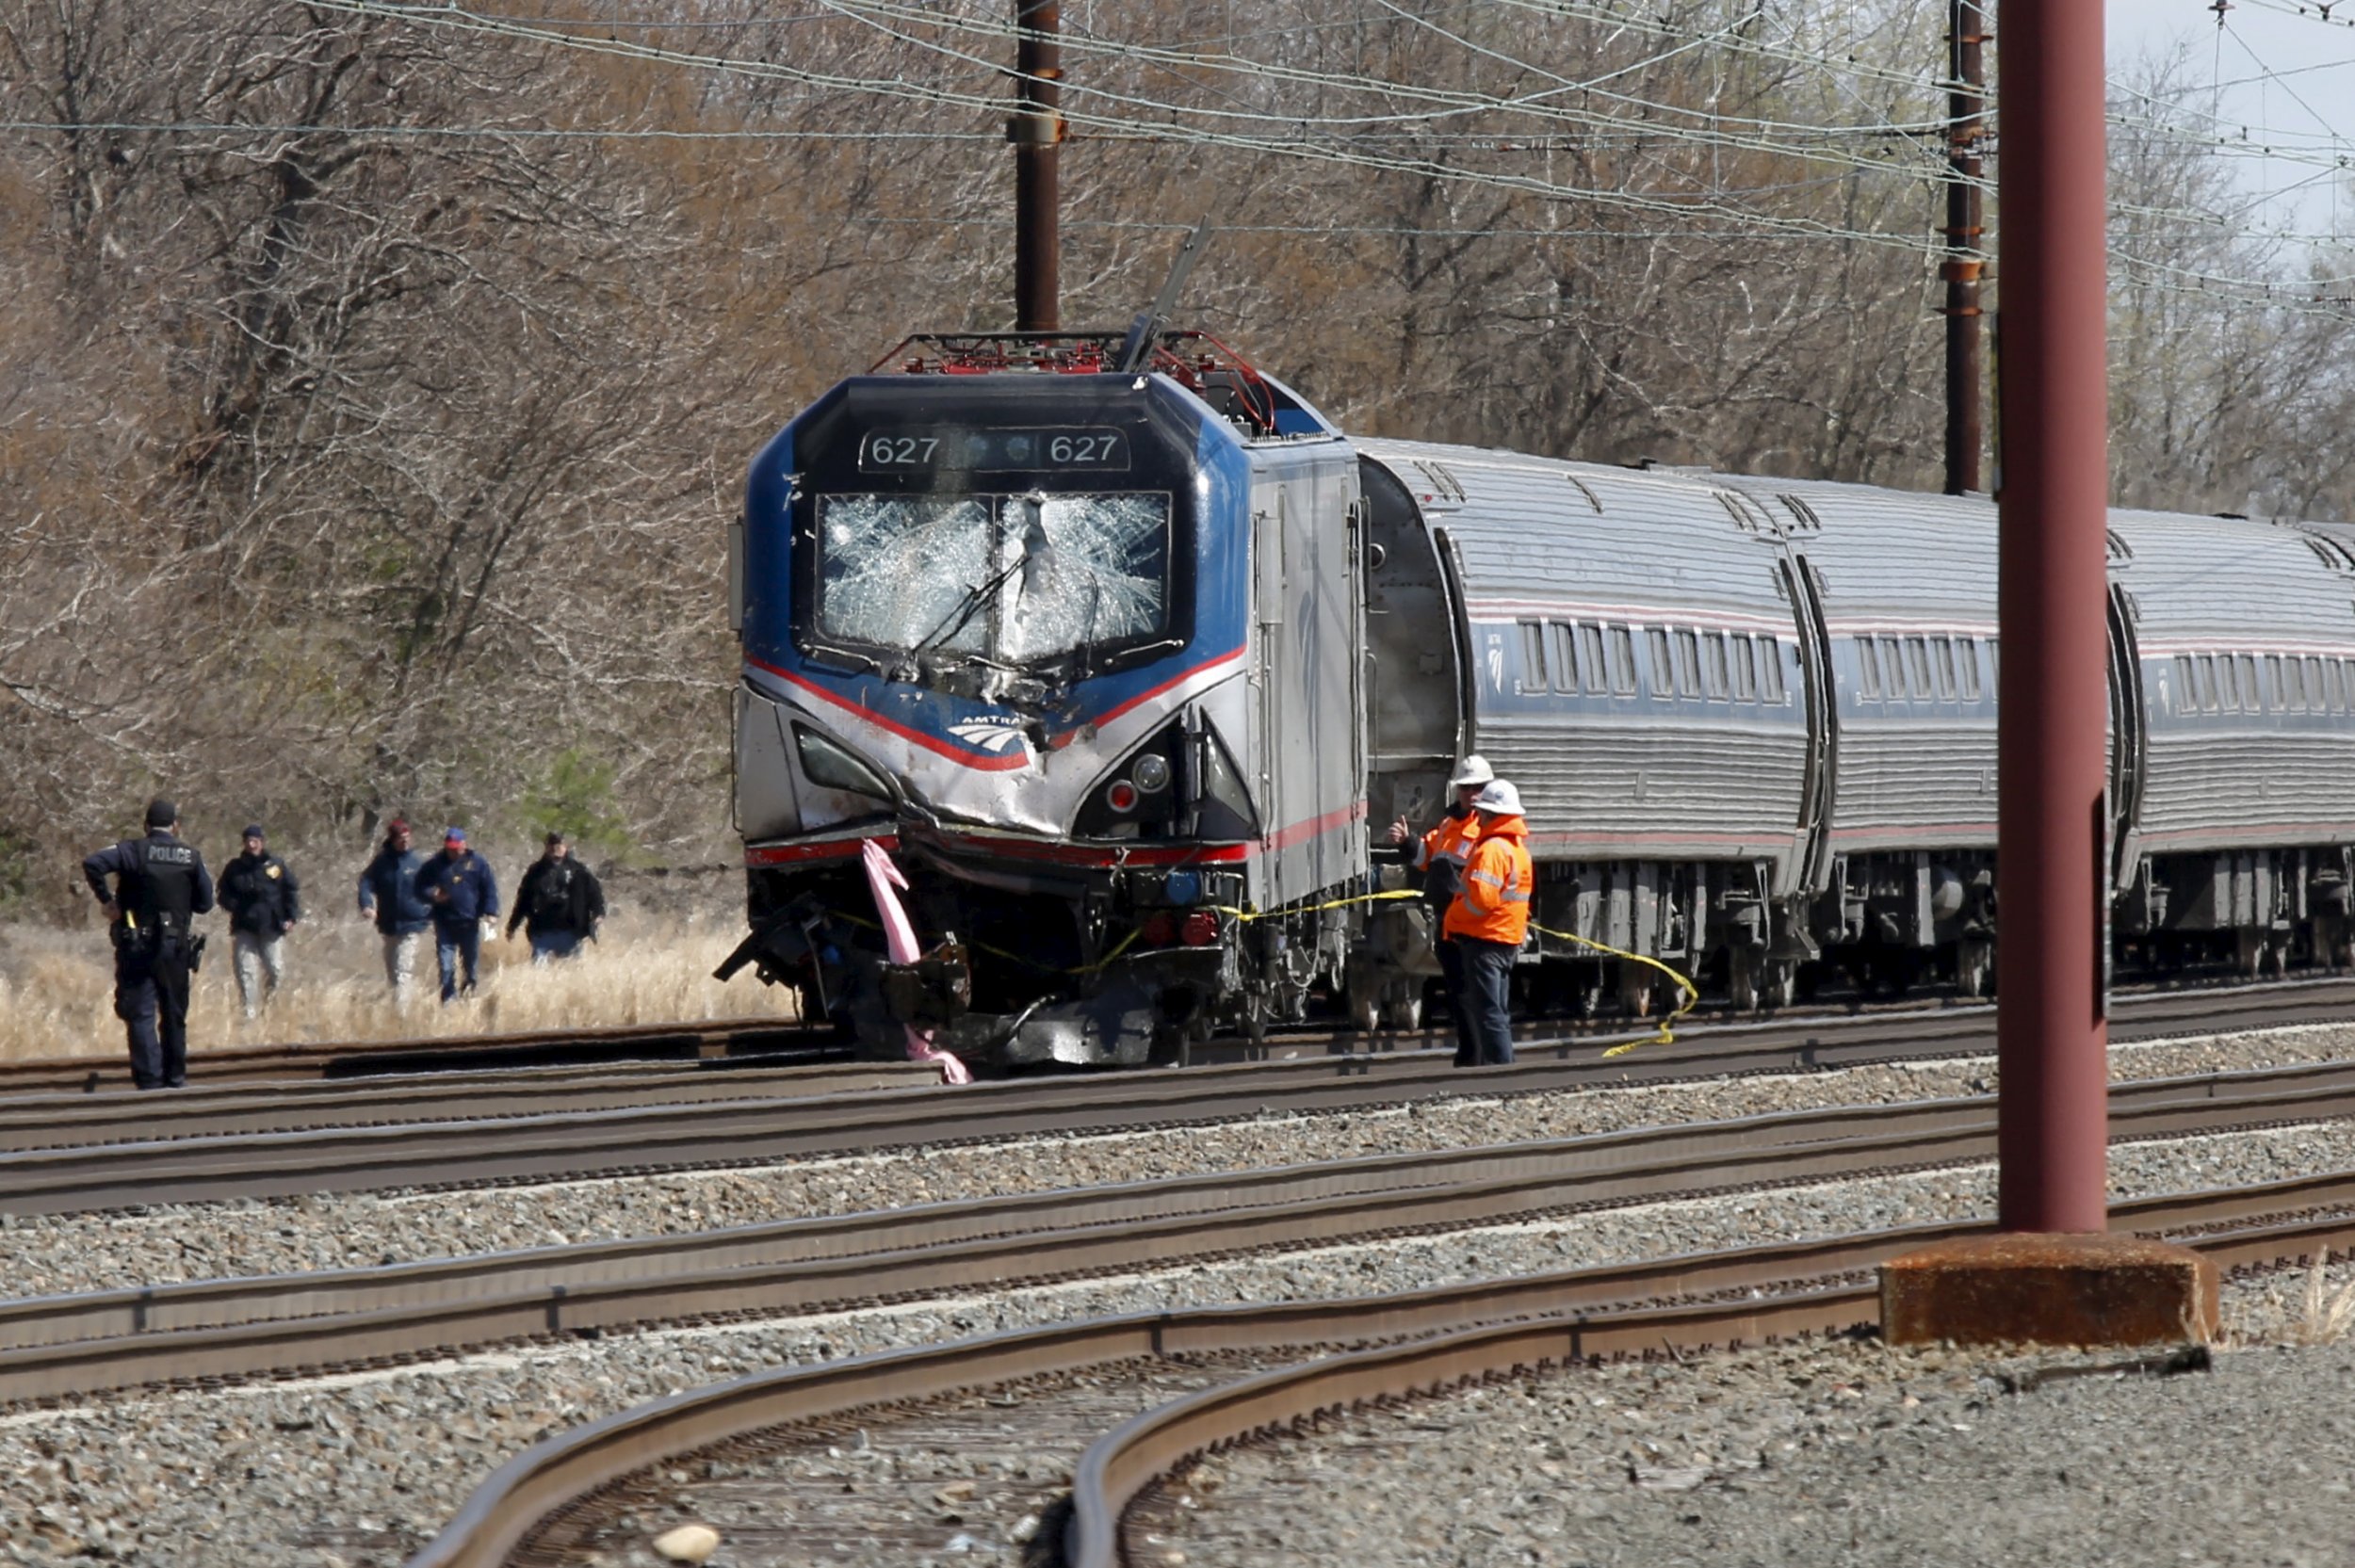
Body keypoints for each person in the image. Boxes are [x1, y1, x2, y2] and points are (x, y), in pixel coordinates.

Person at [81, 798, 216, 1090]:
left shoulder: (132, 851)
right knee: (173, 1014)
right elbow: (206, 903)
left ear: (146, 826)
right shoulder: (191, 857)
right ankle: (175, 1079)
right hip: (175, 947)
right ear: (176, 827)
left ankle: (149, 1083)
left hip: (136, 946)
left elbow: (93, 863)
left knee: (141, 1013)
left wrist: (108, 901)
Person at [1388, 755, 1493, 1065]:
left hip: (1473, 925)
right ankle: (1470, 1054)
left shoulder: (1486, 826)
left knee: (1475, 994)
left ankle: (1479, 1058)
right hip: (1449, 922)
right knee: (1458, 993)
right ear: (1457, 789)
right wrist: (1407, 842)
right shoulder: (1449, 823)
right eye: (1466, 788)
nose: (1471, 794)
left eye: (1478, 788)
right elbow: (1427, 857)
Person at [1443, 778, 1535, 1069]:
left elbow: (1481, 900)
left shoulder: (1491, 850)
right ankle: (1502, 1066)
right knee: (1498, 1009)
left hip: (1485, 939)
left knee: (1488, 1011)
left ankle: (1500, 1071)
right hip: (1506, 938)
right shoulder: (1518, 850)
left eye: (1481, 811)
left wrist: (1454, 918)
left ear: (1489, 815)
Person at [218, 823, 300, 1019]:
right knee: (246, 972)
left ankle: (270, 1008)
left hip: (272, 926)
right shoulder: (234, 868)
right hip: (244, 927)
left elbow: (291, 890)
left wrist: (291, 916)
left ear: (262, 842)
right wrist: (234, 905)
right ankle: (249, 1014)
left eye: (255, 841)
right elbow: (222, 893)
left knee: (275, 970)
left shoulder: (275, 865)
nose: (251, 844)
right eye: (248, 841)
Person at [414, 826, 499, 1002]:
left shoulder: (477, 863)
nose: (453, 852)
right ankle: (448, 1001)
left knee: (470, 965)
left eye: (456, 847)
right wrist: (433, 895)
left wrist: (491, 912)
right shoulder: (434, 865)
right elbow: (419, 887)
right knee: (446, 966)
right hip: (444, 922)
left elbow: (489, 888)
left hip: (469, 922)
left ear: (464, 844)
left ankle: (469, 996)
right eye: (449, 848)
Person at [358, 817, 434, 1004]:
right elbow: (365, 882)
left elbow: (431, 888)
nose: (405, 841)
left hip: (412, 923)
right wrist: (367, 904)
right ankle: (396, 1007)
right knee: (392, 971)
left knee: (403, 970)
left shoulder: (416, 862)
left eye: (408, 837)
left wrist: (434, 908)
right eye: (401, 838)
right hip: (389, 924)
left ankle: (402, 1015)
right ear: (393, 840)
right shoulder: (381, 862)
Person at [508, 831, 606, 962]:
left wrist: (598, 914)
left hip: (571, 931)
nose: (555, 849)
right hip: (542, 931)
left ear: (565, 847)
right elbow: (523, 900)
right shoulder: (535, 872)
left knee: (571, 971)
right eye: (552, 845)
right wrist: (512, 926)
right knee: (539, 973)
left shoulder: (578, 871)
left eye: (559, 845)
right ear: (546, 847)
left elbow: (595, 895)